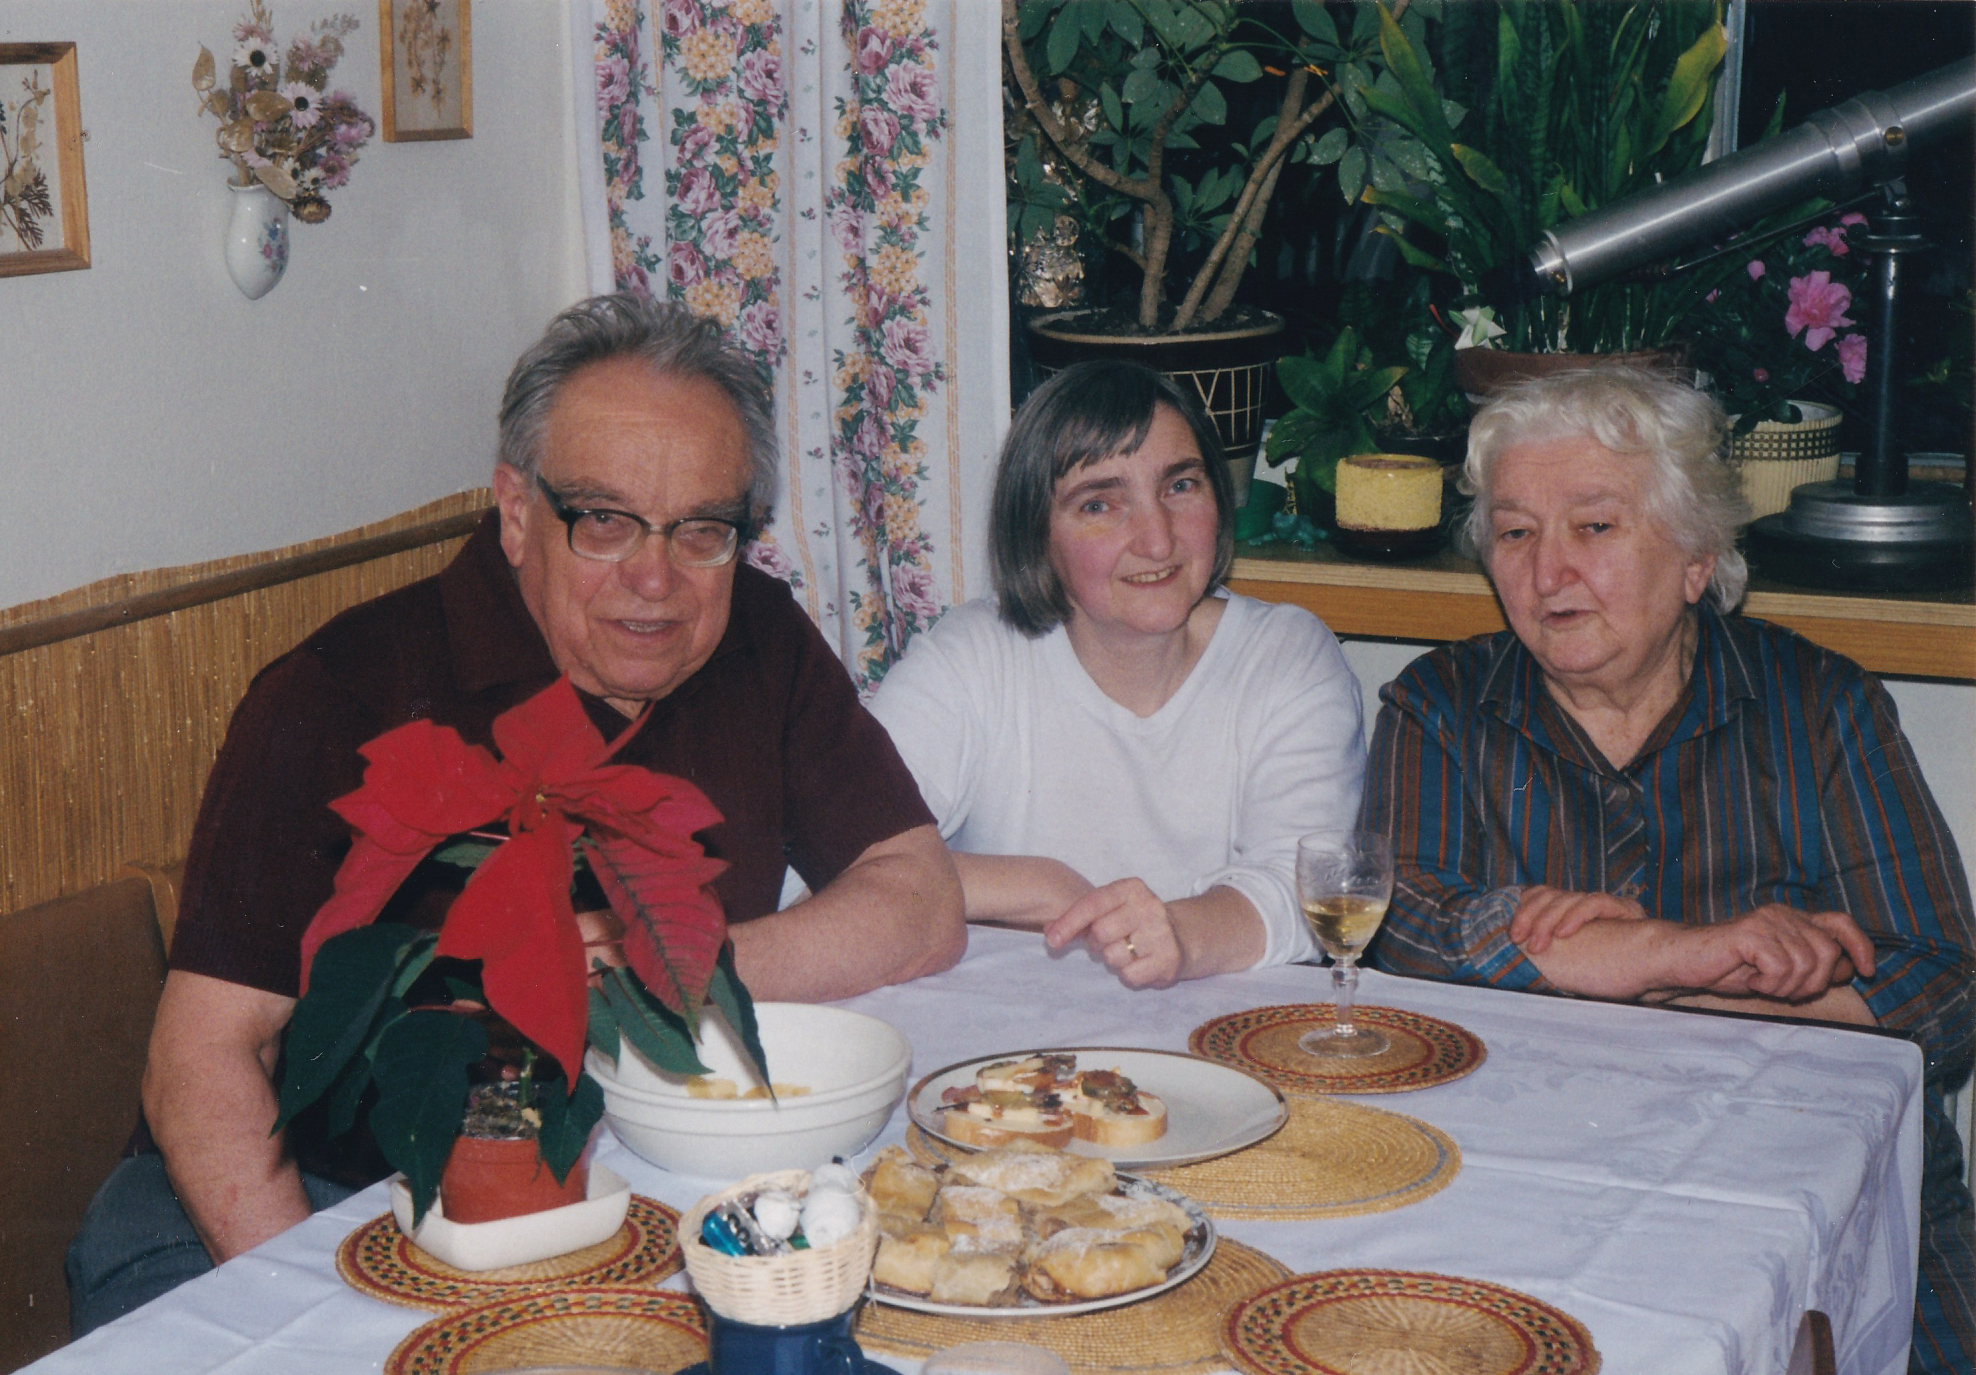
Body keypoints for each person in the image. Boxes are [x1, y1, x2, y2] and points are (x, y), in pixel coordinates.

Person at [67, 293, 964, 1333]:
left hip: (594, 1189)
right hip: (284, 1207)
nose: (655, 578)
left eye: (701, 530)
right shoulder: (341, 690)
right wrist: (327, 1329)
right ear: (514, 510)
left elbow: (920, 900)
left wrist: (658, 972)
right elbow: (200, 1064)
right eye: (604, 520)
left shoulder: (755, 636)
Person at [1360, 366, 1974, 1372]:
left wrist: (1658, 984)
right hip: (1531, 1192)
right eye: (1514, 533)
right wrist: (1686, 950)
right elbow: (1404, 925)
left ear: (1695, 557)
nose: (1546, 570)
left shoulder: (1819, 705)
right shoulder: (1441, 705)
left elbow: (1943, 988)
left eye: (1593, 526)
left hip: (1814, 1195)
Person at [869, 359, 1364, 988]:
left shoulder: (1289, 657)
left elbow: (1303, 893)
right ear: (1035, 535)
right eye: (1100, 504)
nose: (1157, 540)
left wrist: (1177, 936)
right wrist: (1043, 886)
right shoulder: (969, 658)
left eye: (1180, 486)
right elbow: (838, 857)